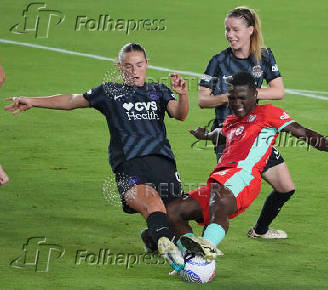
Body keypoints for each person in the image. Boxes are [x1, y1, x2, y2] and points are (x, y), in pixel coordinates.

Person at [4, 43, 189, 270]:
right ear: (120, 67)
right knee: (151, 204)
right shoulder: (109, 92)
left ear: (147, 65)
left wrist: (183, 96)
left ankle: (153, 237)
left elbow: (180, 115)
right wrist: (33, 100)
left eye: (139, 65)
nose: (134, 71)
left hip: (163, 163)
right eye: (128, 66)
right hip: (130, 166)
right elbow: (72, 100)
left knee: (173, 216)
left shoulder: (158, 90)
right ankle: (169, 250)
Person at [167, 72, 328, 261]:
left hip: (244, 176)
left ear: (255, 95)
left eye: (242, 98)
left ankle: (207, 245)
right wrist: (206, 135)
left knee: (219, 202)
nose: (236, 103)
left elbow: (302, 132)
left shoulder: (268, 114)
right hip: (222, 176)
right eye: (232, 98)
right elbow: (226, 135)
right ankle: (190, 254)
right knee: (173, 210)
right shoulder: (231, 121)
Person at [198, 7, 294, 239]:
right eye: (227, 30)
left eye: (235, 29)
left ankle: (260, 231)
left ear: (250, 30)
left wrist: (248, 93)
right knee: (224, 195)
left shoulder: (264, 56)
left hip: (257, 134)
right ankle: (205, 240)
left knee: (285, 188)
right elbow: (202, 99)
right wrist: (228, 97)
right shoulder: (218, 61)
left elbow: (278, 91)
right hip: (228, 136)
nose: (230, 34)